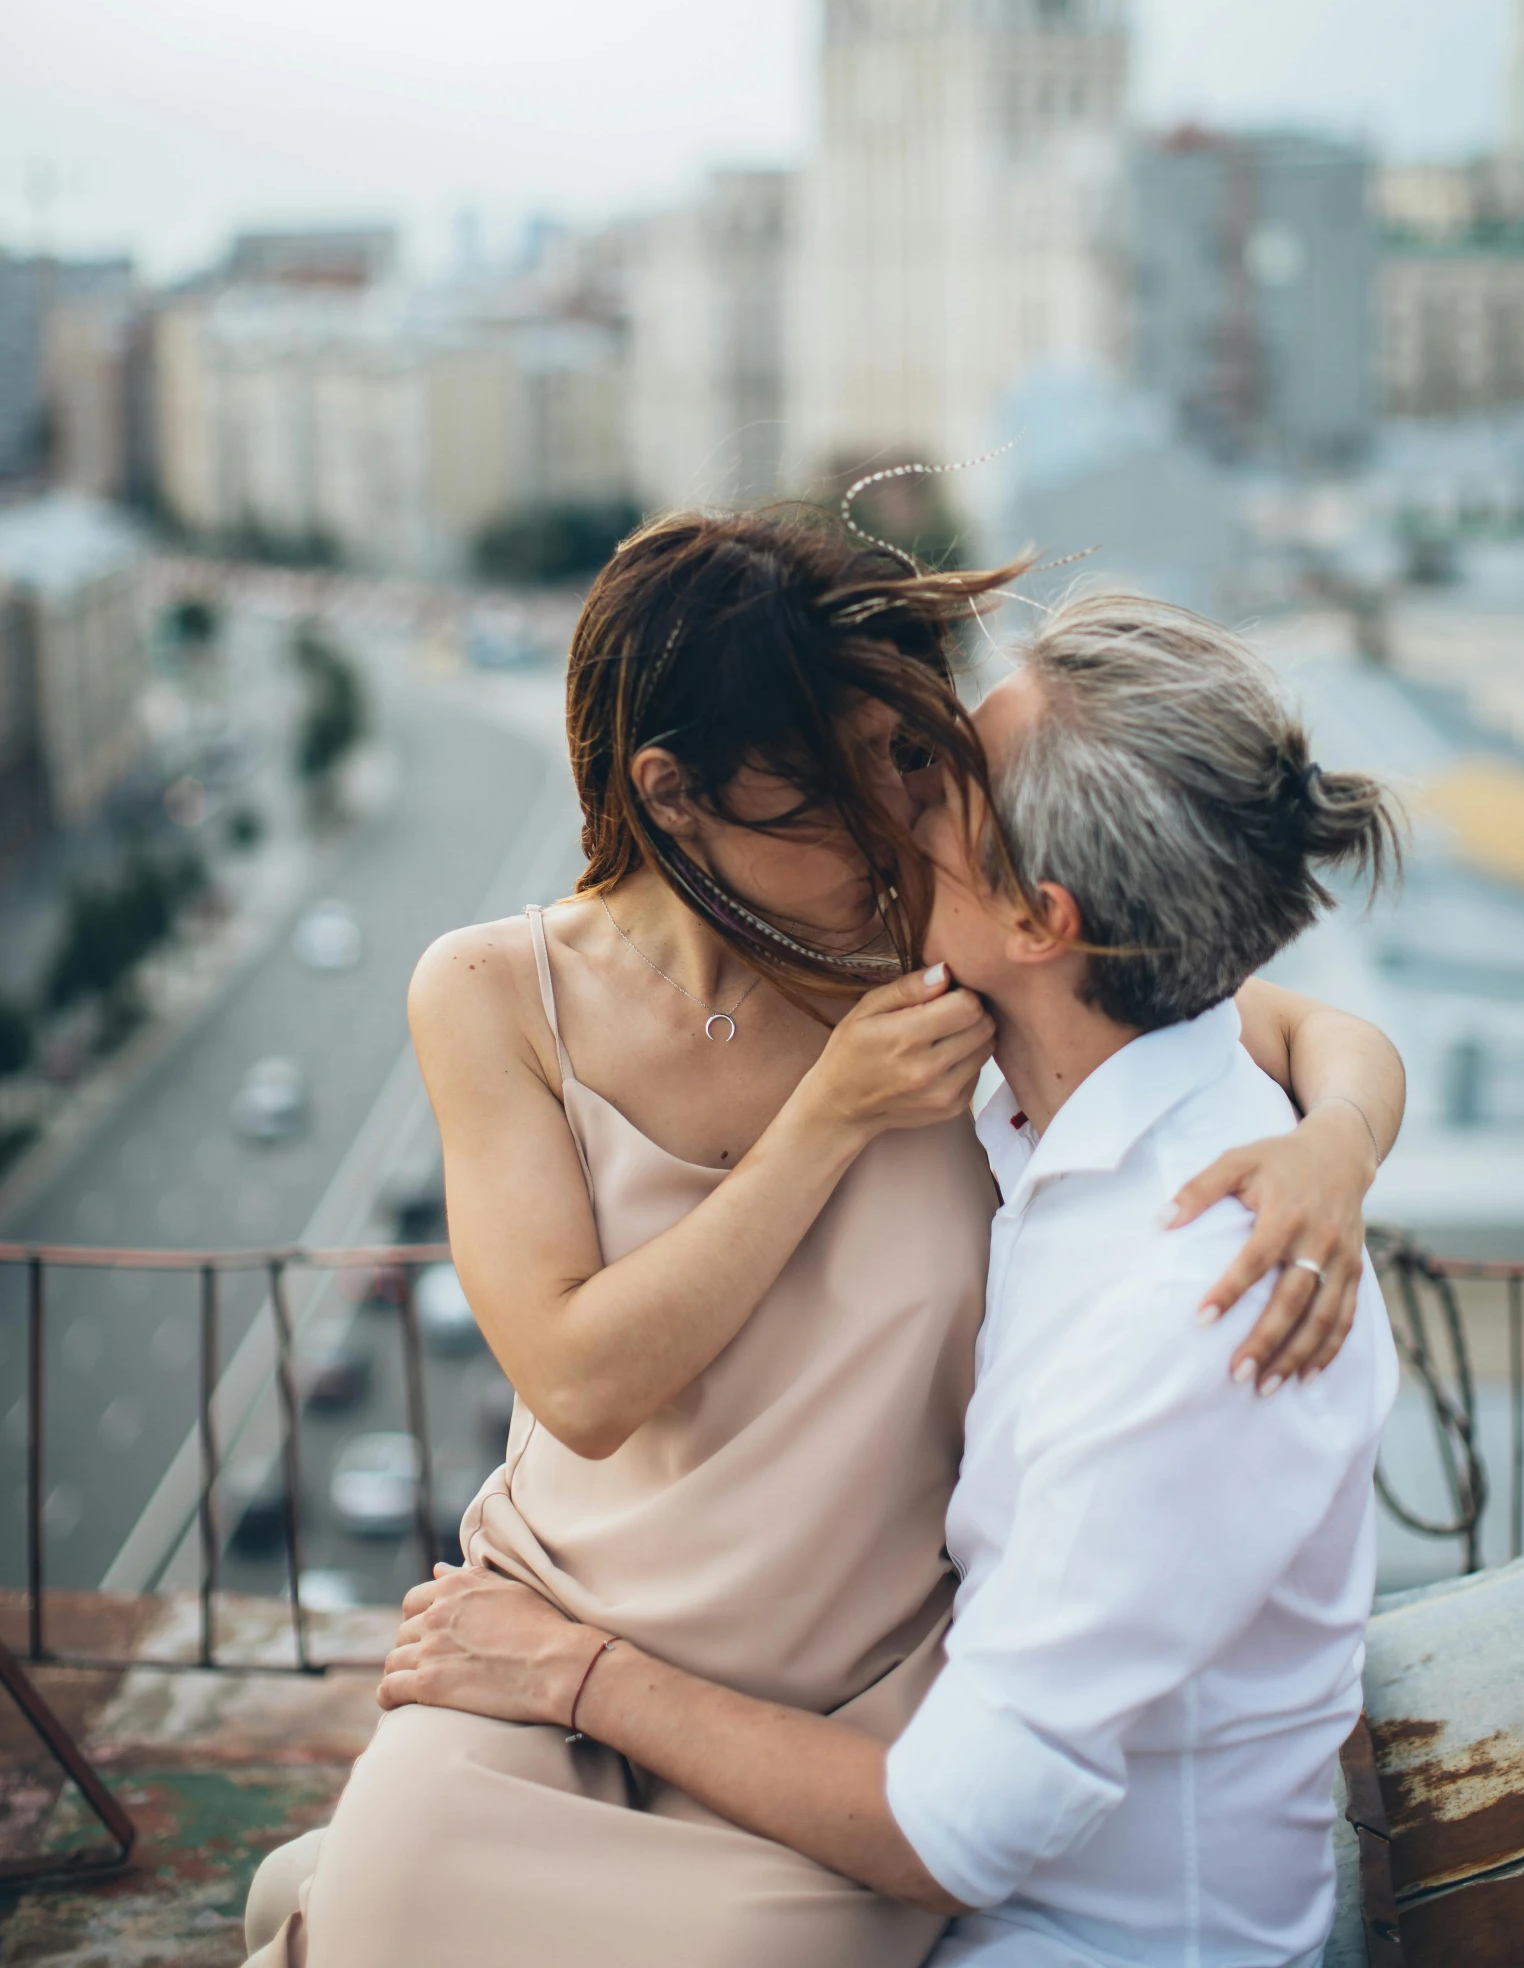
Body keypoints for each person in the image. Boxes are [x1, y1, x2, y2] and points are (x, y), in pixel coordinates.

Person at [245, 528, 1404, 1968]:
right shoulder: (520, 989)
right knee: (377, 1923)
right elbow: (580, 1381)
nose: (895, 820)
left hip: (854, 1703)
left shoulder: (945, 976)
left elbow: (1241, 1021)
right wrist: (827, 1119)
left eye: (918, 771)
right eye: (840, 787)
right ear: (671, 792)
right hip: (558, 1620)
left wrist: (1336, 1142)